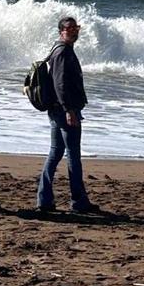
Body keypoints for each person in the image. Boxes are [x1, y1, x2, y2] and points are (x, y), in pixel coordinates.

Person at [35, 18, 100, 213]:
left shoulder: (60, 49)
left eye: (76, 28)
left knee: (55, 153)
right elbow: (60, 84)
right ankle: (78, 201)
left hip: (59, 110)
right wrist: (69, 110)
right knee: (72, 155)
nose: (74, 31)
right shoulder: (62, 51)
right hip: (65, 110)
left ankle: (44, 200)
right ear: (61, 31)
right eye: (69, 28)